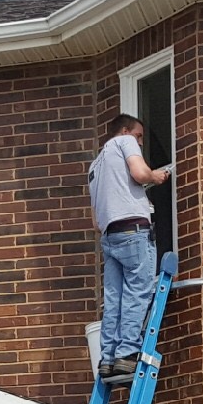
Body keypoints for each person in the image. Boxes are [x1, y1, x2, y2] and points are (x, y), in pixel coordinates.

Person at [87, 114, 170, 378]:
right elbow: (140, 172)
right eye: (139, 136)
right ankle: (126, 354)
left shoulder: (94, 167)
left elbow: (96, 222)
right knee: (137, 292)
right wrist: (155, 176)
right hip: (134, 231)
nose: (140, 142)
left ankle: (108, 358)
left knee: (114, 299)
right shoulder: (124, 142)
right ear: (124, 131)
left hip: (110, 237)